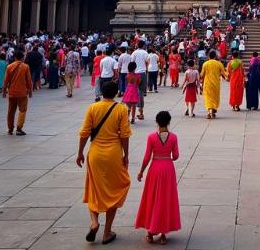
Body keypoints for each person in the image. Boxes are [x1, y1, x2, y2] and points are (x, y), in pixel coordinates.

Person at [76, 79, 131, 246]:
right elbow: (124, 135)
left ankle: (94, 223)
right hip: (113, 154)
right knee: (114, 190)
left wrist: (80, 153)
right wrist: (126, 155)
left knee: (94, 188)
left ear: (101, 91)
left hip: (95, 154)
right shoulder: (121, 108)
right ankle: (107, 232)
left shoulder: (93, 108)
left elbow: (85, 132)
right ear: (115, 93)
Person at [134, 110, 181, 245]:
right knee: (165, 199)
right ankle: (163, 234)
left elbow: (147, 157)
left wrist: (141, 171)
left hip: (155, 169)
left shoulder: (151, 137)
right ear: (169, 122)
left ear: (156, 122)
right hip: (168, 169)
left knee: (152, 198)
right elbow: (176, 155)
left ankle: (150, 232)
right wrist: (168, 157)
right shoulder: (173, 137)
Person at [2, 49, 33, 136]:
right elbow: (29, 80)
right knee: (22, 110)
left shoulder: (9, 67)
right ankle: (19, 128)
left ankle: (10, 128)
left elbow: (5, 81)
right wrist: (30, 90)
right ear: (22, 57)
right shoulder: (25, 67)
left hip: (12, 92)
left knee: (11, 111)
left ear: (14, 57)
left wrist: (4, 91)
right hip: (22, 92)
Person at [200, 50, 227, 120]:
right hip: (216, 84)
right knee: (215, 98)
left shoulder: (205, 64)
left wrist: (200, 83)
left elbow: (202, 75)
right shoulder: (219, 64)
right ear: (215, 56)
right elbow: (224, 74)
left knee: (208, 98)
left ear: (209, 56)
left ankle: (210, 111)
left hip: (207, 84)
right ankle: (213, 110)